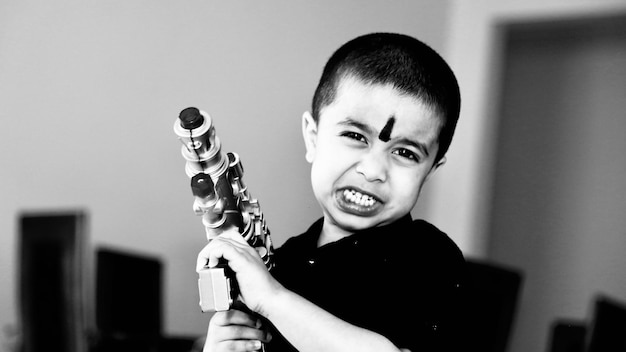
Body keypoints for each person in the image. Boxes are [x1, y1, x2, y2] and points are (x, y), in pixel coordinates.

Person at [197, 32, 465, 352]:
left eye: (406, 153)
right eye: (355, 135)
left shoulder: (429, 257)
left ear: (431, 170)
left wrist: (273, 300)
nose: (373, 170)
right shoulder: (284, 262)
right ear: (313, 139)